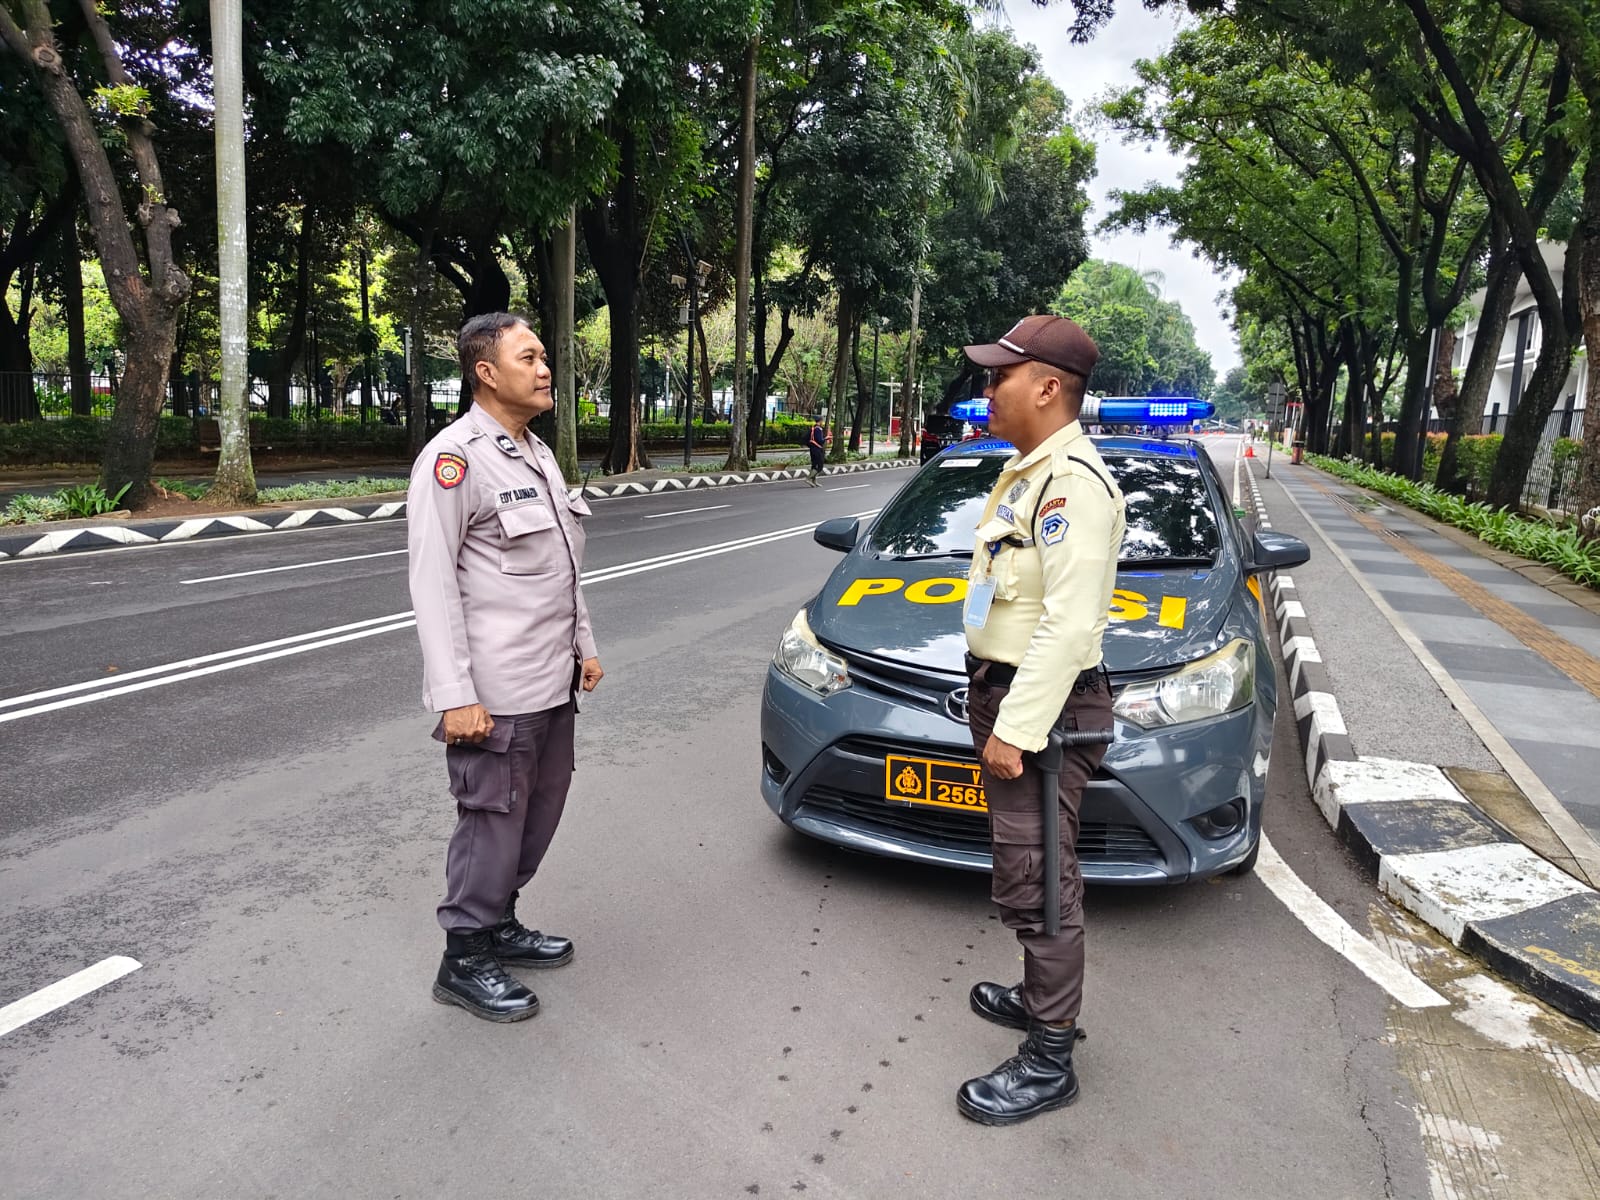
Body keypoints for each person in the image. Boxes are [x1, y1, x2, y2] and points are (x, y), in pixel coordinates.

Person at [406, 312, 604, 1024]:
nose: (546, 368)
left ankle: (498, 921)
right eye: (529, 358)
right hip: (494, 692)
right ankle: (463, 956)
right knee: (492, 819)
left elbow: (561, 565)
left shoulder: (536, 452)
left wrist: (584, 645)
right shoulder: (453, 459)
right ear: (486, 373)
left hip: (549, 681)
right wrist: (454, 695)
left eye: (545, 356)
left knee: (539, 810)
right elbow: (432, 584)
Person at [954, 314, 1126, 1124]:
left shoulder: (1073, 487)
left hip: (1043, 715)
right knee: (1026, 863)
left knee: (1040, 878)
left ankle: (1050, 1057)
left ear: (1049, 387)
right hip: (1009, 693)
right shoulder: (1028, 472)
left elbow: (1070, 624)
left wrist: (1015, 731)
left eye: (1002, 376)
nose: (988, 388)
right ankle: (1036, 995)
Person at [806, 416, 828, 485]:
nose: (822, 422)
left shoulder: (813, 428)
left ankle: (814, 481)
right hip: (817, 449)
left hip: (813, 449)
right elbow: (820, 441)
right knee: (820, 466)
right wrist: (826, 438)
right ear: (820, 421)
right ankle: (808, 478)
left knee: (814, 465)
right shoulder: (818, 429)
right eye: (822, 421)